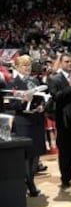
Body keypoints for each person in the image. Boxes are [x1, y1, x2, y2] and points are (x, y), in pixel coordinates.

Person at [7, 54, 46, 197]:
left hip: (36, 120)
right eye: (24, 65)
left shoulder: (35, 81)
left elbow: (43, 97)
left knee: (36, 154)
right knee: (26, 155)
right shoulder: (12, 83)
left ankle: (30, 180)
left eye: (29, 65)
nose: (27, 68)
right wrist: (24, 101)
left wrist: (42, 106)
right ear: (16, 67)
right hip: (23, 122)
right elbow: (11, 104)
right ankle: (29, 183)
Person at [47, 53, 71, 188]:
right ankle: (66, 178)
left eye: (70, 61)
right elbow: (56, 97)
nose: (69, 64)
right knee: (65, 151)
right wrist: (70, 87)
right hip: (64, 121)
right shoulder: (54, 79)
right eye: (66, 61)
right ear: (61, 63)